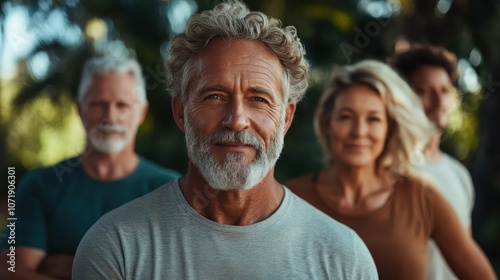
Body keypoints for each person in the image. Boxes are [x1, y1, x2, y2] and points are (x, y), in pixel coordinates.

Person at [72, 1, 378, 279]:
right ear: (181, 112)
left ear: (285, 118)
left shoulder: (344, 257)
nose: (237, 120)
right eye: (214, 96)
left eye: (258, 99)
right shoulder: (116, 247)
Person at [285, 60, 496, 279]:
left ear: (390, 127)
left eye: (374, 119)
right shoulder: (292, 199)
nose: (359, 131)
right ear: (328, 124)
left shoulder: (422, 197)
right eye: (346, 117)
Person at [0, 57, 180, 280]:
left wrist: (74, 267)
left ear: (142, 112)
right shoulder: (40, 184)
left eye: (122, 105)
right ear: (78, 109)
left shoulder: (172, 190)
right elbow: (10, 271)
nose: (110, 117)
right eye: (98, 104)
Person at [391, 44, 476, 280]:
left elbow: (466, 254)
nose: (439, 101)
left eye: (445, 90)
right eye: (426, 90)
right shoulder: (388, 168)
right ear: (403, 96)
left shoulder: (459, 174)